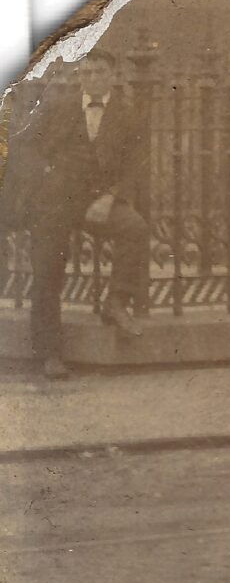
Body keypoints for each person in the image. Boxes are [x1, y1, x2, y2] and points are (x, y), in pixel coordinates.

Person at [0, 49, 148, 378]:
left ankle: (116, 301)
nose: (92, 78)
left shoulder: (127, 115)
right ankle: (50, 354)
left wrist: (111, 197)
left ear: (112, 76)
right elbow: (24, 144)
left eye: (99, 72)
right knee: (47, 268)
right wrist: (46, 174)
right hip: (54, 200)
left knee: (134, 228)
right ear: (80, 76)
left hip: (97, 202)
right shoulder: (59, 106)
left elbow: (135, 165)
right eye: (86, 72)